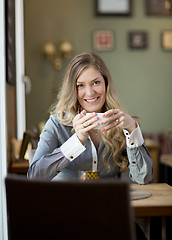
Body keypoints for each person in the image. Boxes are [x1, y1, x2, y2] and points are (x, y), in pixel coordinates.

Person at [28, 52, 153, 184]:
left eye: (96, 82)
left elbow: (143, 178)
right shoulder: (56, 124)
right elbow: (34, 177)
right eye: (80, 85)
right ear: (73, 90)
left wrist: (132, 129)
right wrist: (77, 141)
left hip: (107, 202)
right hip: (66, 202)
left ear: (106, 84)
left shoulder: (120, 124)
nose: (90, 92)